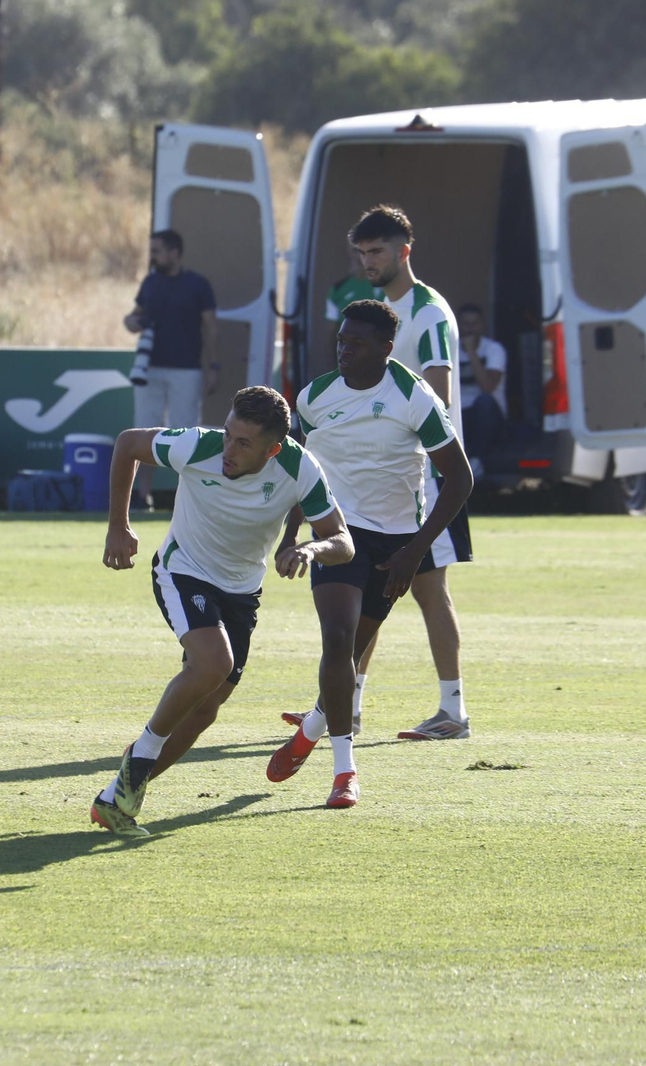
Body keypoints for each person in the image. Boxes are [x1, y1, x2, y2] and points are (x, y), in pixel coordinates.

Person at [92, 386, 353, 835]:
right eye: (229, 434)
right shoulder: (199, 445)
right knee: (214, 663)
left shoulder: (299, 467)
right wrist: (119, 525)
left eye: (243, 443)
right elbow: (128, 444)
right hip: (183, 570)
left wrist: (310, 549)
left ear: (272, 450)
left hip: (241, 591)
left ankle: (116, 798)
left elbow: (343, 542)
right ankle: (140, 757)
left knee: (206, 709)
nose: (228, 449)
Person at [267, 300, 473, 802]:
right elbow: (302, 470)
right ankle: (345, 772)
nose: (344, 350)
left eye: (357, 344)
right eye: (341, 340)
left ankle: (312, 728)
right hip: (336, 534)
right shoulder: (314, 396)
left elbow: (460, 479)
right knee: (338, 643)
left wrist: (414, 552)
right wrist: (291, 535)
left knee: (352, 650)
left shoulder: (414, 397)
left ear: (385, 348)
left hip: (394, 544)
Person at [287, 204, 476, 741]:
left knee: (429, 590)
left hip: (424, 477)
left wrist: (394, 432)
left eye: (377, 251)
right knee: (371, 588)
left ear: (404, 251)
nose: (368, 261)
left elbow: (437, 392)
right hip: (385, 477)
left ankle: (453, 711)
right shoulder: (378, 310)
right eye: (362, 252)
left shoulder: (428, 312)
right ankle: (346, 703)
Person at [121, 229, 218, 509]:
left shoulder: (197, 284)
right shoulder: (150, 282)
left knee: (185, 435)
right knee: (144, 432)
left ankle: (185, 498)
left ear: (175, 252)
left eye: (157, 251)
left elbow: (211, 327)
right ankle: (143, 496)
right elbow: (135, 317)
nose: (152, 256)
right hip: (149, 370)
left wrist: (213, 365)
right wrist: (130, 322)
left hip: (186, 370)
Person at [456, 302, 508, 466]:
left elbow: (488, 386)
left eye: (475, 324)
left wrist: (471, 352)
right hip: (460, 415)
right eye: (466, 324)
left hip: (489, 417)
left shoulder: (493, 349)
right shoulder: (450, 350)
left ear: (482, 325)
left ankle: (477, 460)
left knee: (484, 401)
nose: (470, 329)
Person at [325, 244, 379, 322]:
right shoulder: (337, 289)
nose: (359, 256)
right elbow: (331, 326)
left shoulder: (387, 286)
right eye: (356, 250)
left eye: (366, 251)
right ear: (350, 252)